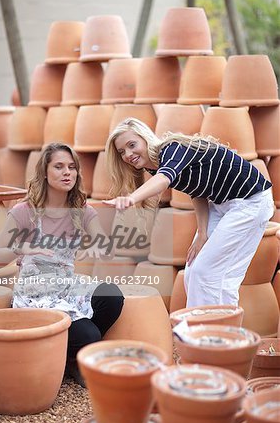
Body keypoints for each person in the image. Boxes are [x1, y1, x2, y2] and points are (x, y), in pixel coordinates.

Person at [0, 143, 124, 386]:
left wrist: (99, 247)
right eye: (59, 167)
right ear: (45, 172)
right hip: (35, 292)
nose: (67, 172)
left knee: (111, 296)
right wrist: (22, 247)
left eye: (72, 167)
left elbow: (107, 250)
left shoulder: (82, 210)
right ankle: (72, 353)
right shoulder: (24, 211)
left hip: (66, 286)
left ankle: (70, 355)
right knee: (89, 334)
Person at [104, 117, 274, 308]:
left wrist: (131, 199)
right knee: (193, 270)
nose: (128, 154)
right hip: (221, 204)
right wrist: (202, 233)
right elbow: (197, 191)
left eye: (132, 145)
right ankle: (202, 325)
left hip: (250, 201)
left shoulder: (172, 149)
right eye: (121, 152)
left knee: (209, 272)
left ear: (145, 138)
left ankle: (214, 328)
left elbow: (164, 179)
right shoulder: (155, 168)